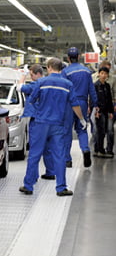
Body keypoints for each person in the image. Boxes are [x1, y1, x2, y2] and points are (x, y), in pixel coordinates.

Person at [19, 58, 86, 197]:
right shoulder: (68, 84)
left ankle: (28, 186)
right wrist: (81, 119)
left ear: (49, 68)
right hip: (58, 125)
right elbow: (75, 104)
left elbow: (31, 100)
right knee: (59, 156)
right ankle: (61, 188)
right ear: (61, 68)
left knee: (34, 154)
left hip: (40, 124)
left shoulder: (41, 82)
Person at [62, 47, 98, 168]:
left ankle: (67, 160)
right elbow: (92, 91)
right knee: (82, 129)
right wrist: (95, 105)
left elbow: (63, 91)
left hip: (69, 104)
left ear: (68, 58)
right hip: (82, 103)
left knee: (67, 131)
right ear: (78, 57)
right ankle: (85, 149)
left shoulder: (65, 72)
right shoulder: (87, 72)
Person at [18, 63, 55, 179]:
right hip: (50, 119)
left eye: (32, 75)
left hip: (37, 121)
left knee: (34, 150)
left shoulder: (35, 85)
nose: (31, 77)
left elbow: (19, 87)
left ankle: (32, 178)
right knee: (48, 148)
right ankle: (50, 172)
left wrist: (23, 75)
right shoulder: (50, 83)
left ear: (38, 74)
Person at [91, 60, 116, 156]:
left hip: (106, 111)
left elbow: (109, 99)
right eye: (102, 73)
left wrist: (111, 111)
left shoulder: (107, 86)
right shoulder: (95, 85)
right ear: (99, 74)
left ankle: (103, 150)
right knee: (99, 131)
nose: (104, 75)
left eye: (106, 74)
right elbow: (93, 98)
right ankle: (98, 150)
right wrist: (95, 109)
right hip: (98, 111)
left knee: (105, 130)